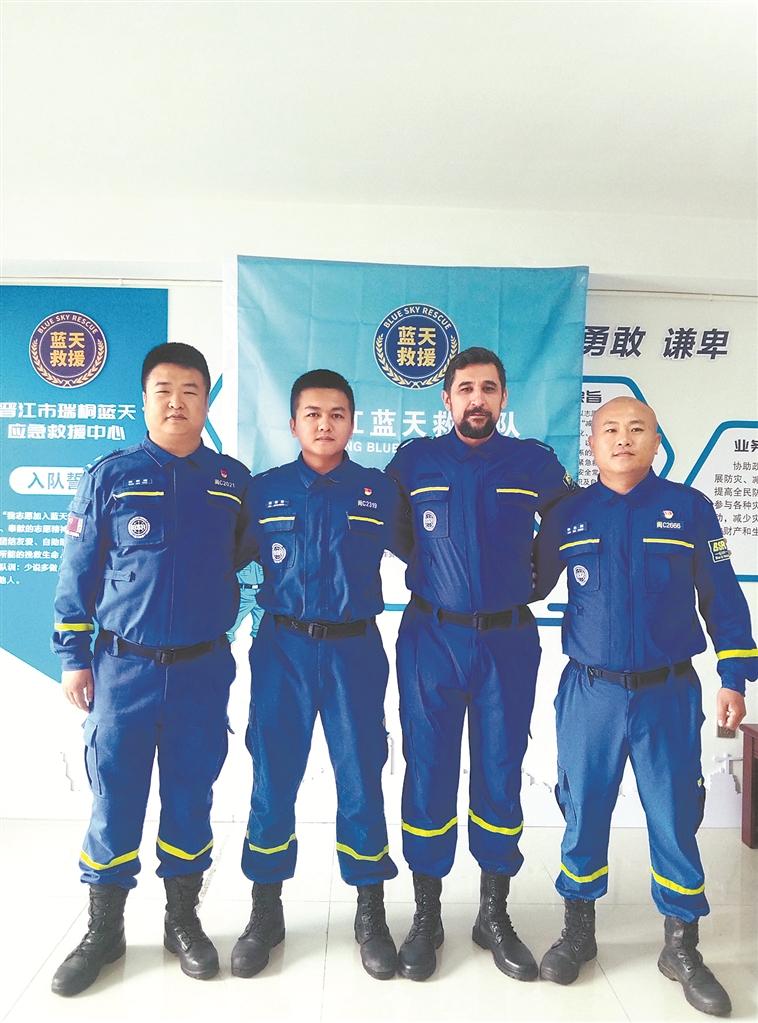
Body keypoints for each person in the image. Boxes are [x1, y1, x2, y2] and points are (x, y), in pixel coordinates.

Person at [533, 396, 756, 1017]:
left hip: (668, 693)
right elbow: (524, 581)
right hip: (590, 693)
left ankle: (681, 946)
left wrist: (733, 676)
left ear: (656, 441)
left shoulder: (690, 510)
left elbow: (723, 596)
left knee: (675, 815)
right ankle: (578, 930)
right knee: (582, 809)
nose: (623, 438)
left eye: (637, 429)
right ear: (593, 444)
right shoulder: (569, 513)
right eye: (610, 429)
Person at [51, 342, 256, 996]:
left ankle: (182, 921)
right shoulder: (111, 476)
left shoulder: (231, 481)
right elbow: (77, 571)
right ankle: (104, 930)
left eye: (191, 391)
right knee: (115, 798)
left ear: (205, 402)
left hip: (201, 669)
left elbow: (251, 557)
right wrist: (73, 657)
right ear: (144, 400)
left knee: (191, 795)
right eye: (164, 390)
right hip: (123, 670)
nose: (176, 402)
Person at [386, 347, 573, 982]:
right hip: (431, 638)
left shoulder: (532, 462)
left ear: (503, 398)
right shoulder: (415, 461)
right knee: (428, 771)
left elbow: (567, 524)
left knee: (499, 769)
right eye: (465, 388)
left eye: (488, 388)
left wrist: (535, 580)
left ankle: (493, 913)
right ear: (446, 398)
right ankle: (427, 915)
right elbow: (396, 530)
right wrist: (432, 569)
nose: (477, 399)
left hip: (507, 642)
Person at [231, 369, 408, 981]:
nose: (324, 424)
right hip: (282, 649)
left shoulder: (379, 493)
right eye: (312, 414)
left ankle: (370, 911)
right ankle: (265, 910)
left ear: (353, 423)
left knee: (361, 778)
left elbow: (432, 555)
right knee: (272, 778)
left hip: (354, 651)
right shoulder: (264, 492)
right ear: (293, 423)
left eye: (336, 414)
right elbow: (219, 561)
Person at [227, 560, 265, 644]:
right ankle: (223, 649)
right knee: (230, 625)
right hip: (244, 594)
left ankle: (258, 649)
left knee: (261, 628)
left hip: (262, 593)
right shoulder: (240, 556)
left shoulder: (264, 556)